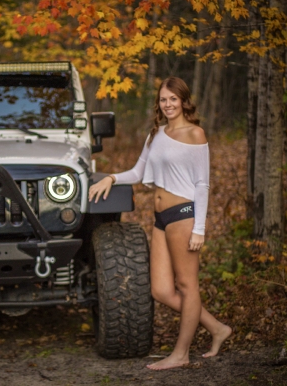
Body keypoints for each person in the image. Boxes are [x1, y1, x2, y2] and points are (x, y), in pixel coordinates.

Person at [88, 77, 232, 370]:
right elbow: (138, 171)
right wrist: (111, 177)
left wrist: (199, 229)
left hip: (183, 215)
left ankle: (181, 354)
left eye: (173, 99)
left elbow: (203, 184)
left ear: (184, 101)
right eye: (163, 99)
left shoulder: (195, 134)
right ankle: (217, 328)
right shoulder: (156, 134)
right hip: (160, 219)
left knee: (187, 286)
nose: (168, 104)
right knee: (161, 290)